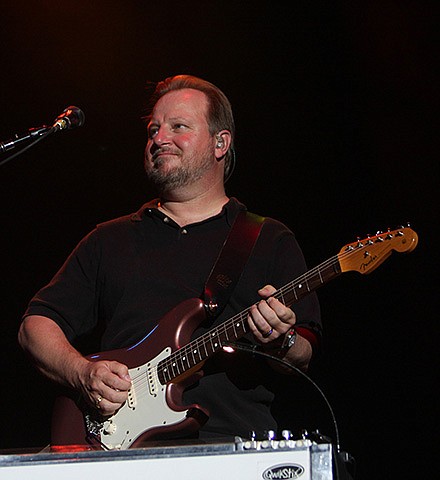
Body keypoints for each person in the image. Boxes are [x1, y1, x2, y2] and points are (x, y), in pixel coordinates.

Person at [18, 74, 322, 444]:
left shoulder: (268, 237)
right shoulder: (109, 238)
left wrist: (282, 340)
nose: (159, 139)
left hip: (231, 448)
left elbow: (304, 350)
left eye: (178, 127)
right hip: (117, 451)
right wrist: (83, 373)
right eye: (153, 130)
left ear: (220, 143)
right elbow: (36, 325)